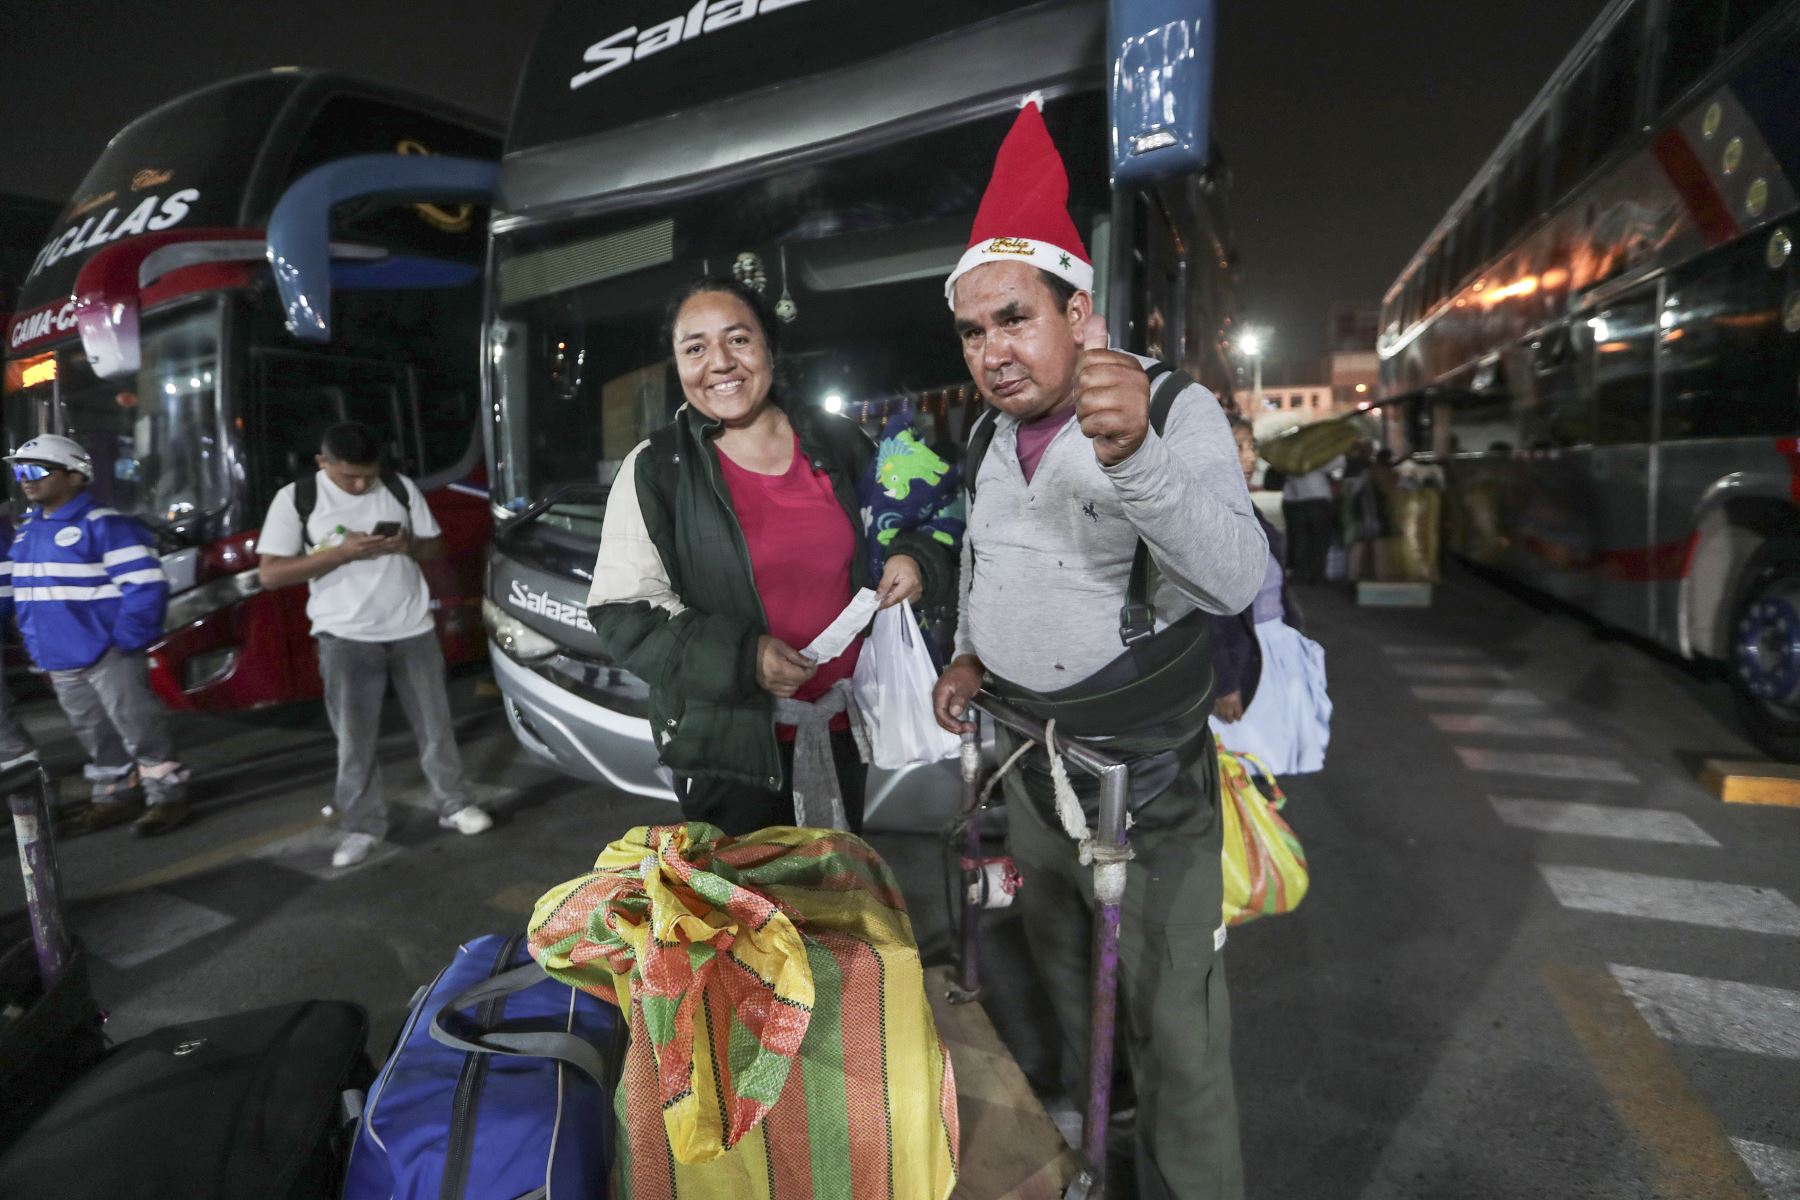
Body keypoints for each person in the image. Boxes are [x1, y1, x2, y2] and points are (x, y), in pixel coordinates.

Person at [930, 99, 1266, 1198]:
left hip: (1150, 781)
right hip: (1034, 765)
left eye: (1015, 318)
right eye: (974, 331)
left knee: (1179, 1017)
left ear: (1080, 310)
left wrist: (1139, 460)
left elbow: (1235, 579)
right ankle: (1092, 1133)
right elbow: (987, 559)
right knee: (1071, 971)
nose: (993, 351)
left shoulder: (1169, 407)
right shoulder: (983, 433)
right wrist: (971, 655)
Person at [587, 277, 958, 836]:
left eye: (738, 339)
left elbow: (912, 520)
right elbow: (624, 614)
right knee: (748, 918)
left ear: (769, 348)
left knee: (835, 900)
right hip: (726, 752)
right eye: (695, 347)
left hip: (838, 731)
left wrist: (914, 559)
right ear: (677, 364)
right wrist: (744, 658)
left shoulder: (837, 442)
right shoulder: (658, 469)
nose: (719, 362)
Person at [257, 422, 491, 868]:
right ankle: (363, 826)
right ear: (322, 463)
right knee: (355, 740)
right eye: (350, 477)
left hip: (412, 627)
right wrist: (340, 554)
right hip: (344, 636)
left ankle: (454, 804)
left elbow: (434, 544)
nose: (362, 484)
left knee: (436, 726)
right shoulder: (296, 498)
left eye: (369, 474)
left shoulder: (399, 488)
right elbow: (270, 573)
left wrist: (407, 546)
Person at [4, 434, 189, 836]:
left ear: (74, 476)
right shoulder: (28, 531)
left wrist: (123, 641)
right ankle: (115, 795)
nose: (25, 479)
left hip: (107, 653)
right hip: (60, 656)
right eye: (19, 470)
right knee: (95, 733)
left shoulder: (105, 524)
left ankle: (167, 797)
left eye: (36, 470)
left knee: (139, 726)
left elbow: (145, 585)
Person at [1211, 418, 1331, 774]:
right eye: (1239, 447)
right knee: (1243, 772)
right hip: (1242, 662)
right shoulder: (1208, 515)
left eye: (1252, 447)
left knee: (1265, 769)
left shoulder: (1247, 509)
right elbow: (1206, 609)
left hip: (1272, 654)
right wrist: (1224, 682)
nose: (1250, 458)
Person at [1279, 451, 1343, 585]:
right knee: (1320, 541)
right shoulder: (1315, 457)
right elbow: (1338, 462)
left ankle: (1300, 575)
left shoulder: (1291, 461)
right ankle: (1317, 576)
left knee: (1301, 540)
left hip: (1299, 502)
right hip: (1319, 502)